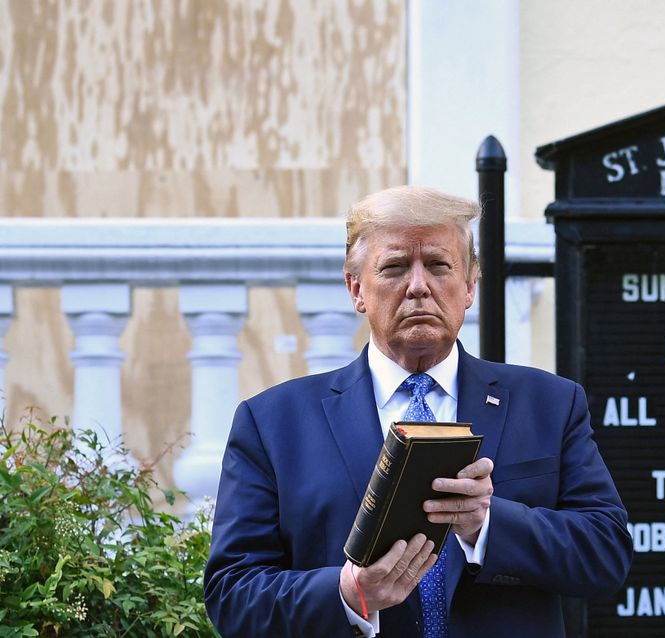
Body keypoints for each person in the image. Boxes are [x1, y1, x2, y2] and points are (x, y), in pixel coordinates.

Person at [203, 185, 632, 637]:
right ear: (356, 289)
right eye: (393, 267)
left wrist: (486, 523)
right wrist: (348, 592)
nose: (418, 286)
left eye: (438, 265)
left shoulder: (549, 404)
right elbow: (232, 596)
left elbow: (606, 554)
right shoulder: (273, 423)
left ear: (469, 286)